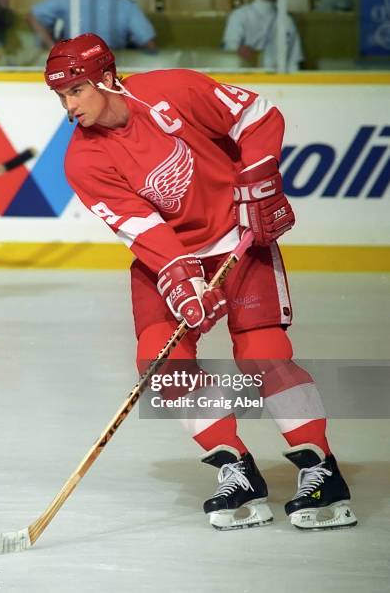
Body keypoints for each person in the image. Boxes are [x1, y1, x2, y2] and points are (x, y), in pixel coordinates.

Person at [43, 33, 357, 531]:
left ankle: (321, 471)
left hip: (239, 238)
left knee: (263, 352)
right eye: (60, 95)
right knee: (161, 360)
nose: (68, 105)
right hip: (169, 258)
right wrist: (183, 279)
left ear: (106, 78)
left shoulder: (174, 89)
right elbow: (142, 229)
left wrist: (259, 177)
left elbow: (257, 113)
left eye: (76, 90)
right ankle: (235, 468)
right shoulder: (82, 160)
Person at [28, 0, 156, 51]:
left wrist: (53, 48)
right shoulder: (125, 4)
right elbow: (148, 43)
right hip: (108, 68)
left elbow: (33, 16)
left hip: (73, 67)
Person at [222, 0, 303, 72]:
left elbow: (293, 63)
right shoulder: (239, 16)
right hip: (247, 80)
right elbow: (229, 54)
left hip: (280, 82)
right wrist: (240, 52)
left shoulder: (287, 21)